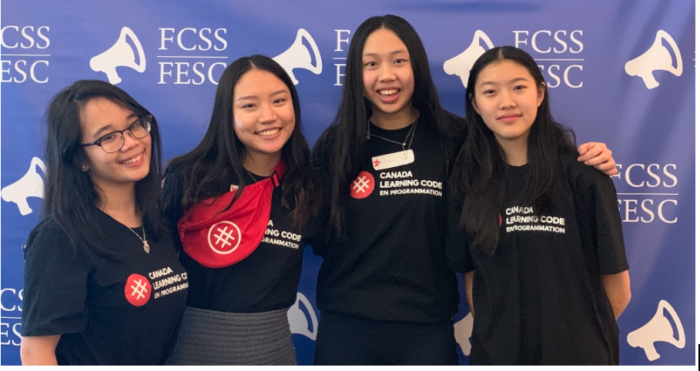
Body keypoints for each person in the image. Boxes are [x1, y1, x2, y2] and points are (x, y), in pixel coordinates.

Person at [311, 14, 618, 365]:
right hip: (345, 327)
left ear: (417, 66)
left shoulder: (456, 140)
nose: (387, 75)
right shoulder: (334, 146)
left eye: (399, 60)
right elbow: (317, 233)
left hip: (425, 330)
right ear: (356, 73)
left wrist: (588, 157)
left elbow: (520, 164)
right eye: (371, 64)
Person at [445, 46, 631, 365]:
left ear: (540, 94)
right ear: (475, 104)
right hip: (498, 356)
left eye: (519, 87)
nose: (507, 102)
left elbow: (618, 290)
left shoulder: (585, 176)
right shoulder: (467, 185)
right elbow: (474, 278)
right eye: (490, 92)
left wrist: (571, 340)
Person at [162, 55, 325, 365]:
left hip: (271, 351)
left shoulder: (309, 186)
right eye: (249, 105)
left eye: (279, 100)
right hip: (187, 350)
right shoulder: (188, 178)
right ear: (227, 113)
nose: (268, 116)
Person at [20, 80, 189, 365]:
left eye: (134, 124)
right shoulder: (61, 238)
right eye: (108, 137)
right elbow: (36, 352)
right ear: (79, 159)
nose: (132, 142)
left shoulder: (159, 223)